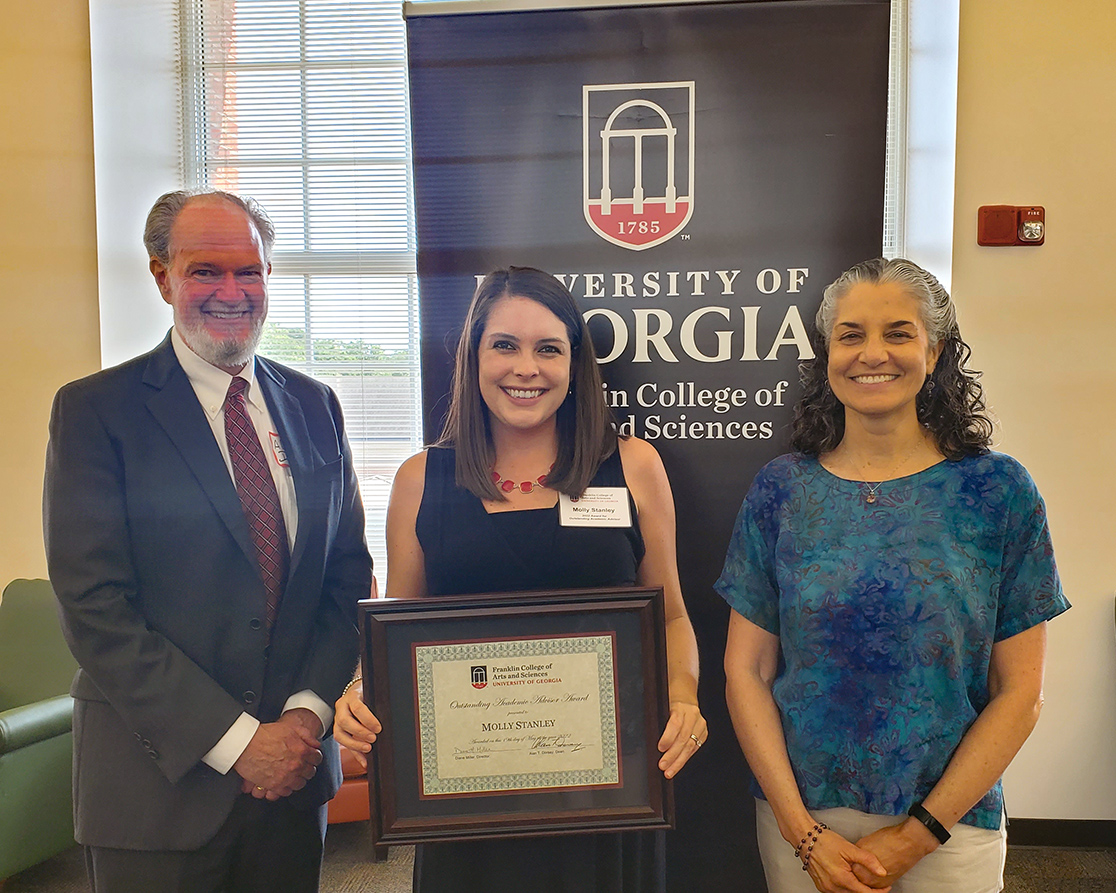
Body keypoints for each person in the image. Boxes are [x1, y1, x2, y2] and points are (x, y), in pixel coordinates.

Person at [334, 266, 707, 892]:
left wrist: (685, 696)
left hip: (607, 792)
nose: (525, 368)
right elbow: (397, 634)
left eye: (548, 348)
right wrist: (361, 687)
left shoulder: (634, 466)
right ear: (473, 357)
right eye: (504, 345)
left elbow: (669, 614)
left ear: (575, 363)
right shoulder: (420, 479)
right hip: (466, 801)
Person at [43, 190, 372, 892]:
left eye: (247, 271)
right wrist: (239, 743)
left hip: (293, 780)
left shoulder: (316, 407)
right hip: (155, 793)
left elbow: (346, 578)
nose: (231, 291)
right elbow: (95, 608)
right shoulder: (96, 412)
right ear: (163, 276)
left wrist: (304, 720)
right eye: (205, 271)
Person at [716, 257, 1069, 893]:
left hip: (950, 827)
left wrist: (918, 835)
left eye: (898, 333)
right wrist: (803, 834)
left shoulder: (997, 492)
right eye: (850, 335)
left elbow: (1020, 691)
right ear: (827, 355)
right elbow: (747, 671)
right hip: (803, 823)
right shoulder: (782, 491)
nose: (871, 353)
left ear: (934, 351)